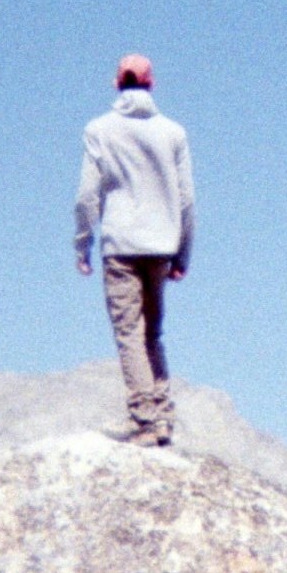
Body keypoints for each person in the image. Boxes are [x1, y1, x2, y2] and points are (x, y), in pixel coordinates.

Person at [74, 55, 195, 445]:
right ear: (152, 84)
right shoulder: (173, 133)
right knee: (152, 334)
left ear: (115, 84)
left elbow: (87, 196)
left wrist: (82, 243)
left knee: (129, 332)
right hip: (161, 245)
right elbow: (187, 200)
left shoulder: (99, 130)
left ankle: (145, 421)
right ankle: (162, 417)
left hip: (121, 245)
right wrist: (183, 253)